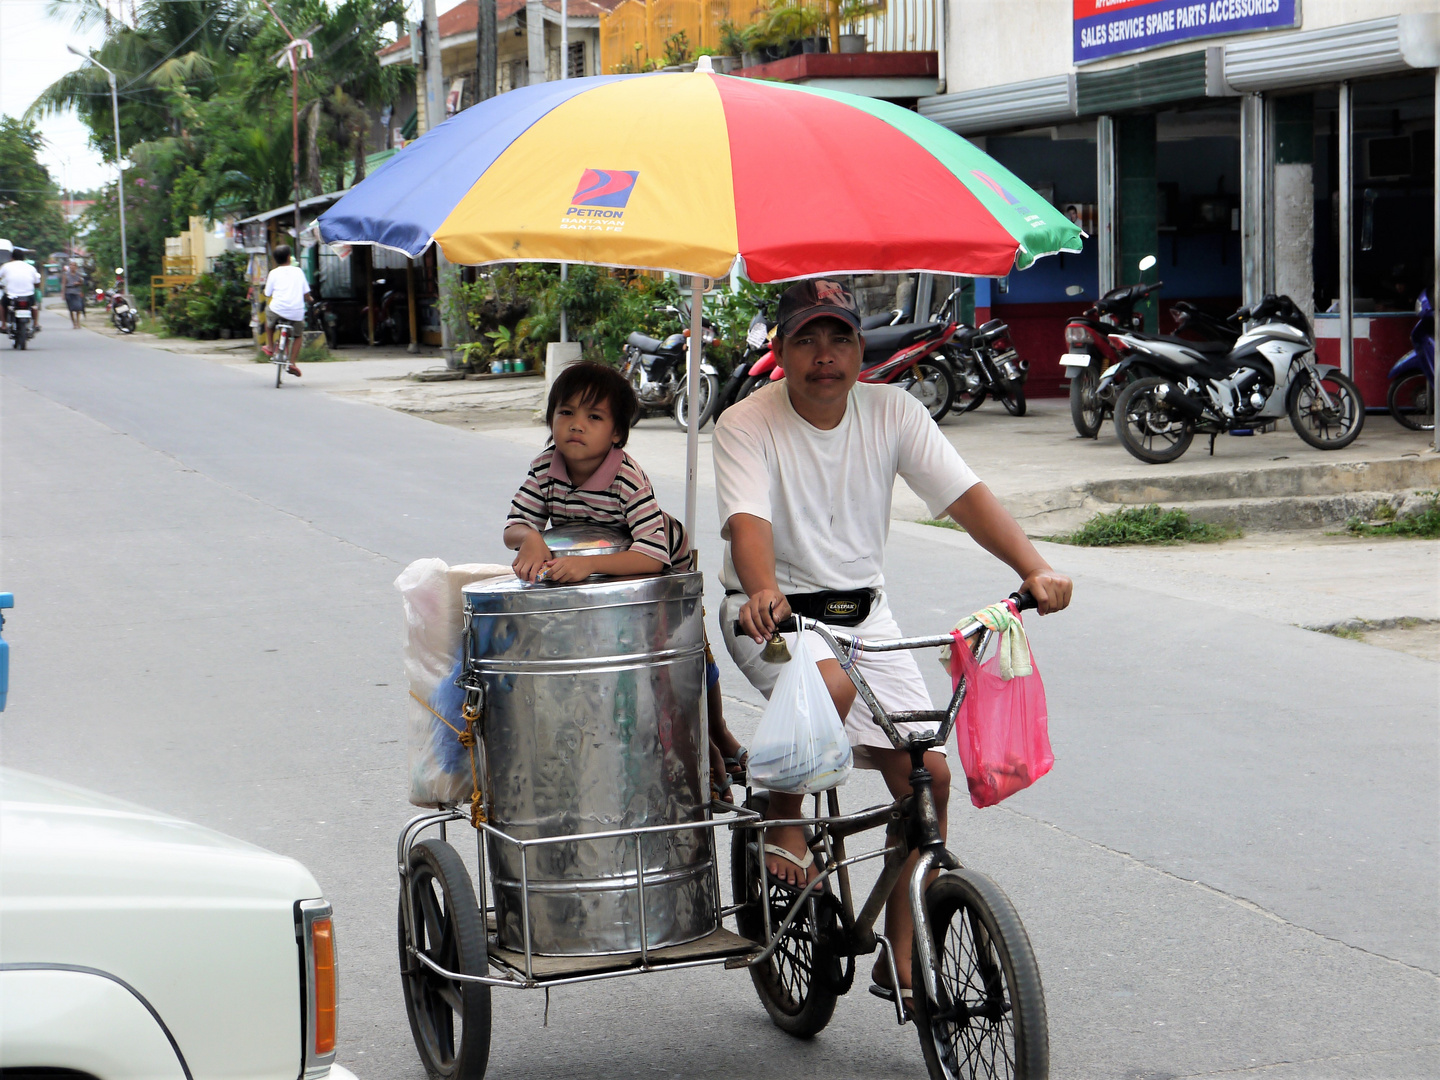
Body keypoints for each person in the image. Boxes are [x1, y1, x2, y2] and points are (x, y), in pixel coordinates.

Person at [713, 278, 1073, 1008]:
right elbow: (747, 523)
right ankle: (784, 820)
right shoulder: (746, 423)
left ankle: (900, 956)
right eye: (806, 339)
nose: (824, 356)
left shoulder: (893, 412)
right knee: (828, 683)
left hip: (864, 617)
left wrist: (1032, 566)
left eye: (839, 337)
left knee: (929, 779)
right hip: (769, 616)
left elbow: (966, 497)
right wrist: (760, 589)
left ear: (859, 347)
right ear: (780, 350)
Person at [504, 361, 749, 800]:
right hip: (594, 566)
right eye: (565, 413)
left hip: (658, 564)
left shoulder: (625, 476)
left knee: (685, 656)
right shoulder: (545, 466)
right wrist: (533, 538)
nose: (576, 426)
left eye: (593, 417)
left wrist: (588, 567)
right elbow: (513, 527)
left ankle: (716, 743)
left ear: (617, 433)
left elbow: (650, 557)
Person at [260, 245, 311, 377]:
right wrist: (310, 299)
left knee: (268, 319)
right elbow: (306, 294)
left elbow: (267, 293)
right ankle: (292, 363)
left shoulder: (273, 273)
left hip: (277, 309)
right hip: (296, 312)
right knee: (298, 335)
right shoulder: (298, 271)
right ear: (289, 257)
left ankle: (270, 346)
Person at [0, 250, 42, 336]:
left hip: (11, 295)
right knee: (34, 306)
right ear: (24, 258)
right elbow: (37, 282)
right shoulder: (31, 267)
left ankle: (3, 325)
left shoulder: (6, 266)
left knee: (2, 305)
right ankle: (36, 324)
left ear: (12, 258)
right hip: (28, 295)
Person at [62, 262, 86, 329]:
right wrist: (63, 294)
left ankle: (78, 322)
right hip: (68, 292)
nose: (72, 267)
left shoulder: (79, 274)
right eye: (71, 265)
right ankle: (74, 323)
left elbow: (82, 283)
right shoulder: (66, 274)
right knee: (71, 309)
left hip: (77, 292)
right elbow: (63, 284)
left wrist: (78, 283)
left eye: (74, 265)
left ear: (76, 267)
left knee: (78, 308)